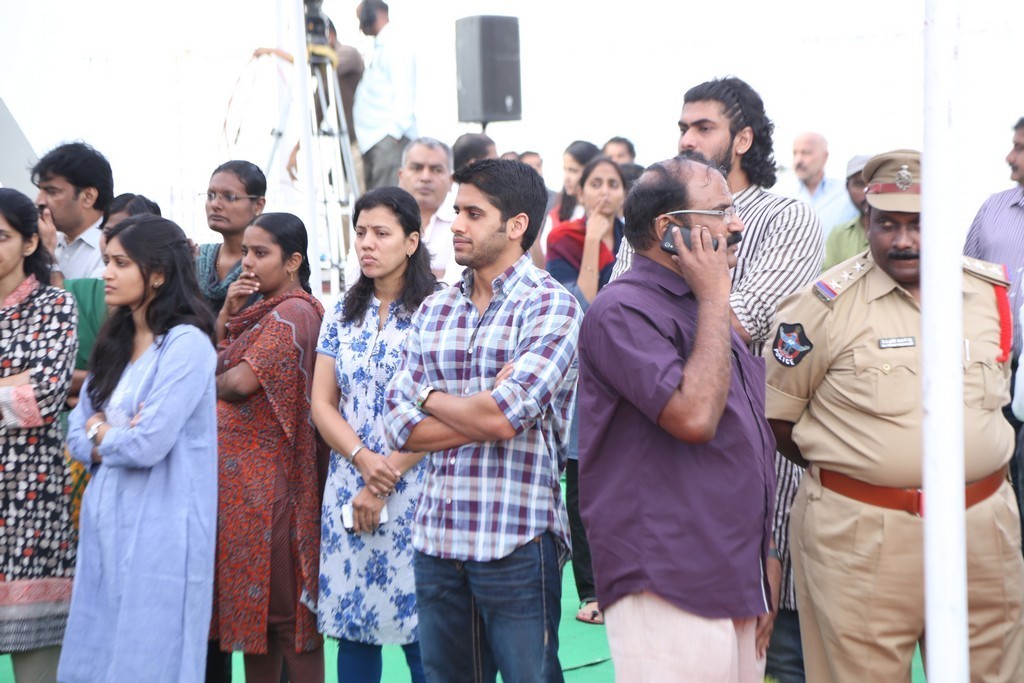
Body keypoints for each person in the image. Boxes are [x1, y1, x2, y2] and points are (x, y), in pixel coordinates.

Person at [766, 149, 1024, 683]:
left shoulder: (987, 294)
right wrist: (868, 470)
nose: (903, 240)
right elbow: (780, 421)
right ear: (867, 221)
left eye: (920, 223)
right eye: (888, 223)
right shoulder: (821, 307)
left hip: (981, 528)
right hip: (862, 536)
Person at [609, 76, 823, 683]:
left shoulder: (785, 218)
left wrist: (698, 284)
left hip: (756, 470)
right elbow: (634, 308)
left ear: (744, 138)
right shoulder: (662, 215)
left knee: (772, 658)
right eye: (682, 126)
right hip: (667, 479)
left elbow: (740, 329)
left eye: (703, 127)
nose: (687, 138)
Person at [384, 158, 582, 681]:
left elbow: (503, 419)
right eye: (456, 212)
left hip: (515, 539)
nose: (457, 225)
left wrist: (426, 397)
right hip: (437, 539)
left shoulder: (551, 306)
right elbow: (398, 427)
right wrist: (482, 404)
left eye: (473, 213)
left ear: (516, 225)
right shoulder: (434, 309)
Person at [579, 155, 775, 682]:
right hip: (666, 574)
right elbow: (694, 418)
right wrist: (715, 295)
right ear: (669, 231)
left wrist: (766, 558)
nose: (737, 225)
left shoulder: (702, 310)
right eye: (719, 212)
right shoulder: (623, 309)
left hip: (734, 568)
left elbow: (747, 440)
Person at [59, 215, 218, 681]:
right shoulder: (115, 340)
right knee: (98, 646)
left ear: (159, 273)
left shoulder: (186, 345)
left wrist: (101, 432)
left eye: (120, 262)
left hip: (164, 528)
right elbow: (75, 432)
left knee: (151, 656)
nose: (106, 272)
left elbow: (148, 443)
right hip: (106, 518)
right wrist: (105, 433)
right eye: (107, 260)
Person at [313, 187, 436, 683]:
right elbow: (322, 403)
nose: (367, 243)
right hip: (349, 484)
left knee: (423, 638)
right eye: (360, 232)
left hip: (420, 491)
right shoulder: (342, 311)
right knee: (354, 632)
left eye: (381, 233)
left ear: (410, 242)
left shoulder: (438, 311)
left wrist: (383, 476)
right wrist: (363, 460)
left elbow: (445, 411)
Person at [211, 213, 326, 683]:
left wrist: (181, 375)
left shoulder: (293, 312)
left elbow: (237, 383)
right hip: (244, 489)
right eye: (245, 253)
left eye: (261, 254)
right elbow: (223, 361)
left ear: (294, 260)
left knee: (286, 620)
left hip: (274, 489)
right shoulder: (258, 311)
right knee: (254, 623)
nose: (248, 264)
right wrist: (224, 318)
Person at [0, 188, 78, 682]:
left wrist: (24, 389)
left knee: (37, 672)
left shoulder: (54, 305)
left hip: (32, 504)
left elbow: (44, 397)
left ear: (30, 243)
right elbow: (23, 391)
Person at [545, 155, 626, 627]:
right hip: (581, 375)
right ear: (580, 190)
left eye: (613, 183)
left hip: (627, 373)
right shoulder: (564, 239)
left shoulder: (641, 240)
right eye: (596, 182)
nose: (604, 192)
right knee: (582, 487)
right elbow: (585, 308)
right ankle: (592, 589)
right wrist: (594, 242)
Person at [966, 117, 1024, 541]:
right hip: (995, 368)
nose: (1010, 157)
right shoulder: (993, 210)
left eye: (1020, 148)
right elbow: (962, 283)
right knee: (994, 483)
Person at [353, 0, 417, 189]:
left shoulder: (395, 43)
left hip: (387, 140)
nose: (359, 26)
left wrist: (393, 134)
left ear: (375, 13)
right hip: (375, 141)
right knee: (375, 206)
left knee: (387, 207)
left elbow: (404, 90)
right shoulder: (380, 45)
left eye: (361, 18)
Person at [32, 141, 114, 282]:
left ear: (88, 197)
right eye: (40, 190)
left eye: (52, 192)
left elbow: (84, 304)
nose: (39, 201)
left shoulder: (111, 251)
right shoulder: (50, 240)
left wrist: (48, 257)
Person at [196, 160, 267, 314]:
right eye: (210, 195)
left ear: (258, 205)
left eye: (230, 197)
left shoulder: (268, 266)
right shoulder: (196, 257)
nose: (215, 204)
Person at [532, 140, 601, 267]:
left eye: (573, 171)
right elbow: (543, 264)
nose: (566, 178)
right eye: (565, 170)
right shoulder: (556, 213)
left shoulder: (603, 218)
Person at [790, 132, 858, 237]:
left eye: (806, 153)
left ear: (825, 157)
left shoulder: (846, 193)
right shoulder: (779, 193)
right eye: (795, 153)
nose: (798, 160)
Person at [821, 154, 871, 269]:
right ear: (847, 187)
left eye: (873, 183)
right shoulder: (839, 234)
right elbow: (826, 282)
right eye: (859, 184)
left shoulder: (901, 231)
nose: (867, 191)